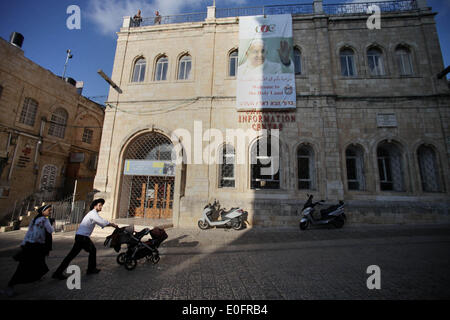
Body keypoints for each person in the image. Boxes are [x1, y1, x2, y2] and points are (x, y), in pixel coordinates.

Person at [52, 199, 118, 280]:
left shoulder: (93, 214)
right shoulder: (93, 213)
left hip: (81, 237)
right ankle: (90, 269)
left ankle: (59, 272)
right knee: (88, 251)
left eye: (101, 205)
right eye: (100, 205)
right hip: (82, 237)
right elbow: (102, 221)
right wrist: (112, 224)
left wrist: (110, 224)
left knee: (82, 253)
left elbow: (100, 222)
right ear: (95, 206)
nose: (101, 207)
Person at [1, 204, 54, 297]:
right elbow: (50, 230)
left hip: (30, 245)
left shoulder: (34, 220)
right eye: (49, 210)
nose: (50, 212)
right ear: (43, 212)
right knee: (24, 267)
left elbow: (29, 232)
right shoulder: (44, 220)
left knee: (39, 263)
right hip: (35, 246)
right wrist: (49, 222)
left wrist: (23, 243)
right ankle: (10, 286)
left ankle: (35, 277)